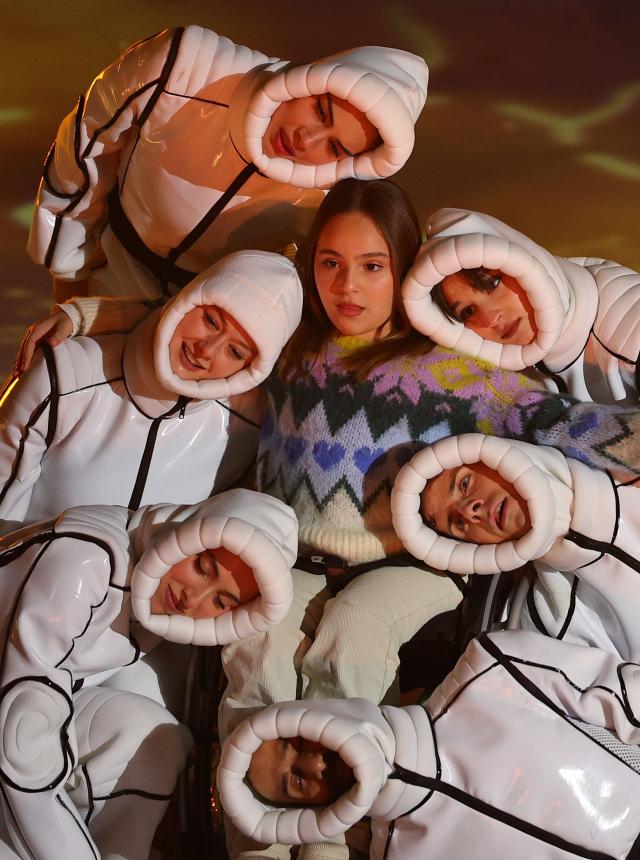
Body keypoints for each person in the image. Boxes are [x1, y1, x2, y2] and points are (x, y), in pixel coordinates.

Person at [28, 24, 428, 302]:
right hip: (105, 267)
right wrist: (69, 279)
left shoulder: (330, 195)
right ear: (313, 79)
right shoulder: (184, 66)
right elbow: (81, 155)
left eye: (337, 148)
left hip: (214, 327)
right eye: (321, 111)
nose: (306, 141)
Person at [0, 487, 297, 860]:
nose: (192, 598)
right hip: (10, 720)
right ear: (189, 530)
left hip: (16, 705)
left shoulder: (153, 603)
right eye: (203, 566)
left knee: (155, 738)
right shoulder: (87, 562)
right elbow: (19, 743)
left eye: (221, 601)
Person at [218, 630, 640, 860]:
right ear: (305, 813)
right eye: (294, 782)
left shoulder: (494, 668)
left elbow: (625, 695)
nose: (315, 764)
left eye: (294, 741)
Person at [0, 249, 301, 530]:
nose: (206, 350)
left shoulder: (246, 430)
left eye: (235, 352)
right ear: (188, 299)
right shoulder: (64, 375)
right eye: (211, 321)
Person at [392, 431, 640, 661]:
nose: (469, 510)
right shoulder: (551, 621)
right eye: (458, 524)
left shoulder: (626, 449)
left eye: (464, 483)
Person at [402, 207, 640, 403]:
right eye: (467, 311)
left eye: (492, 283)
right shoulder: (509, 370)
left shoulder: (629, 336)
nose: (489, 318)